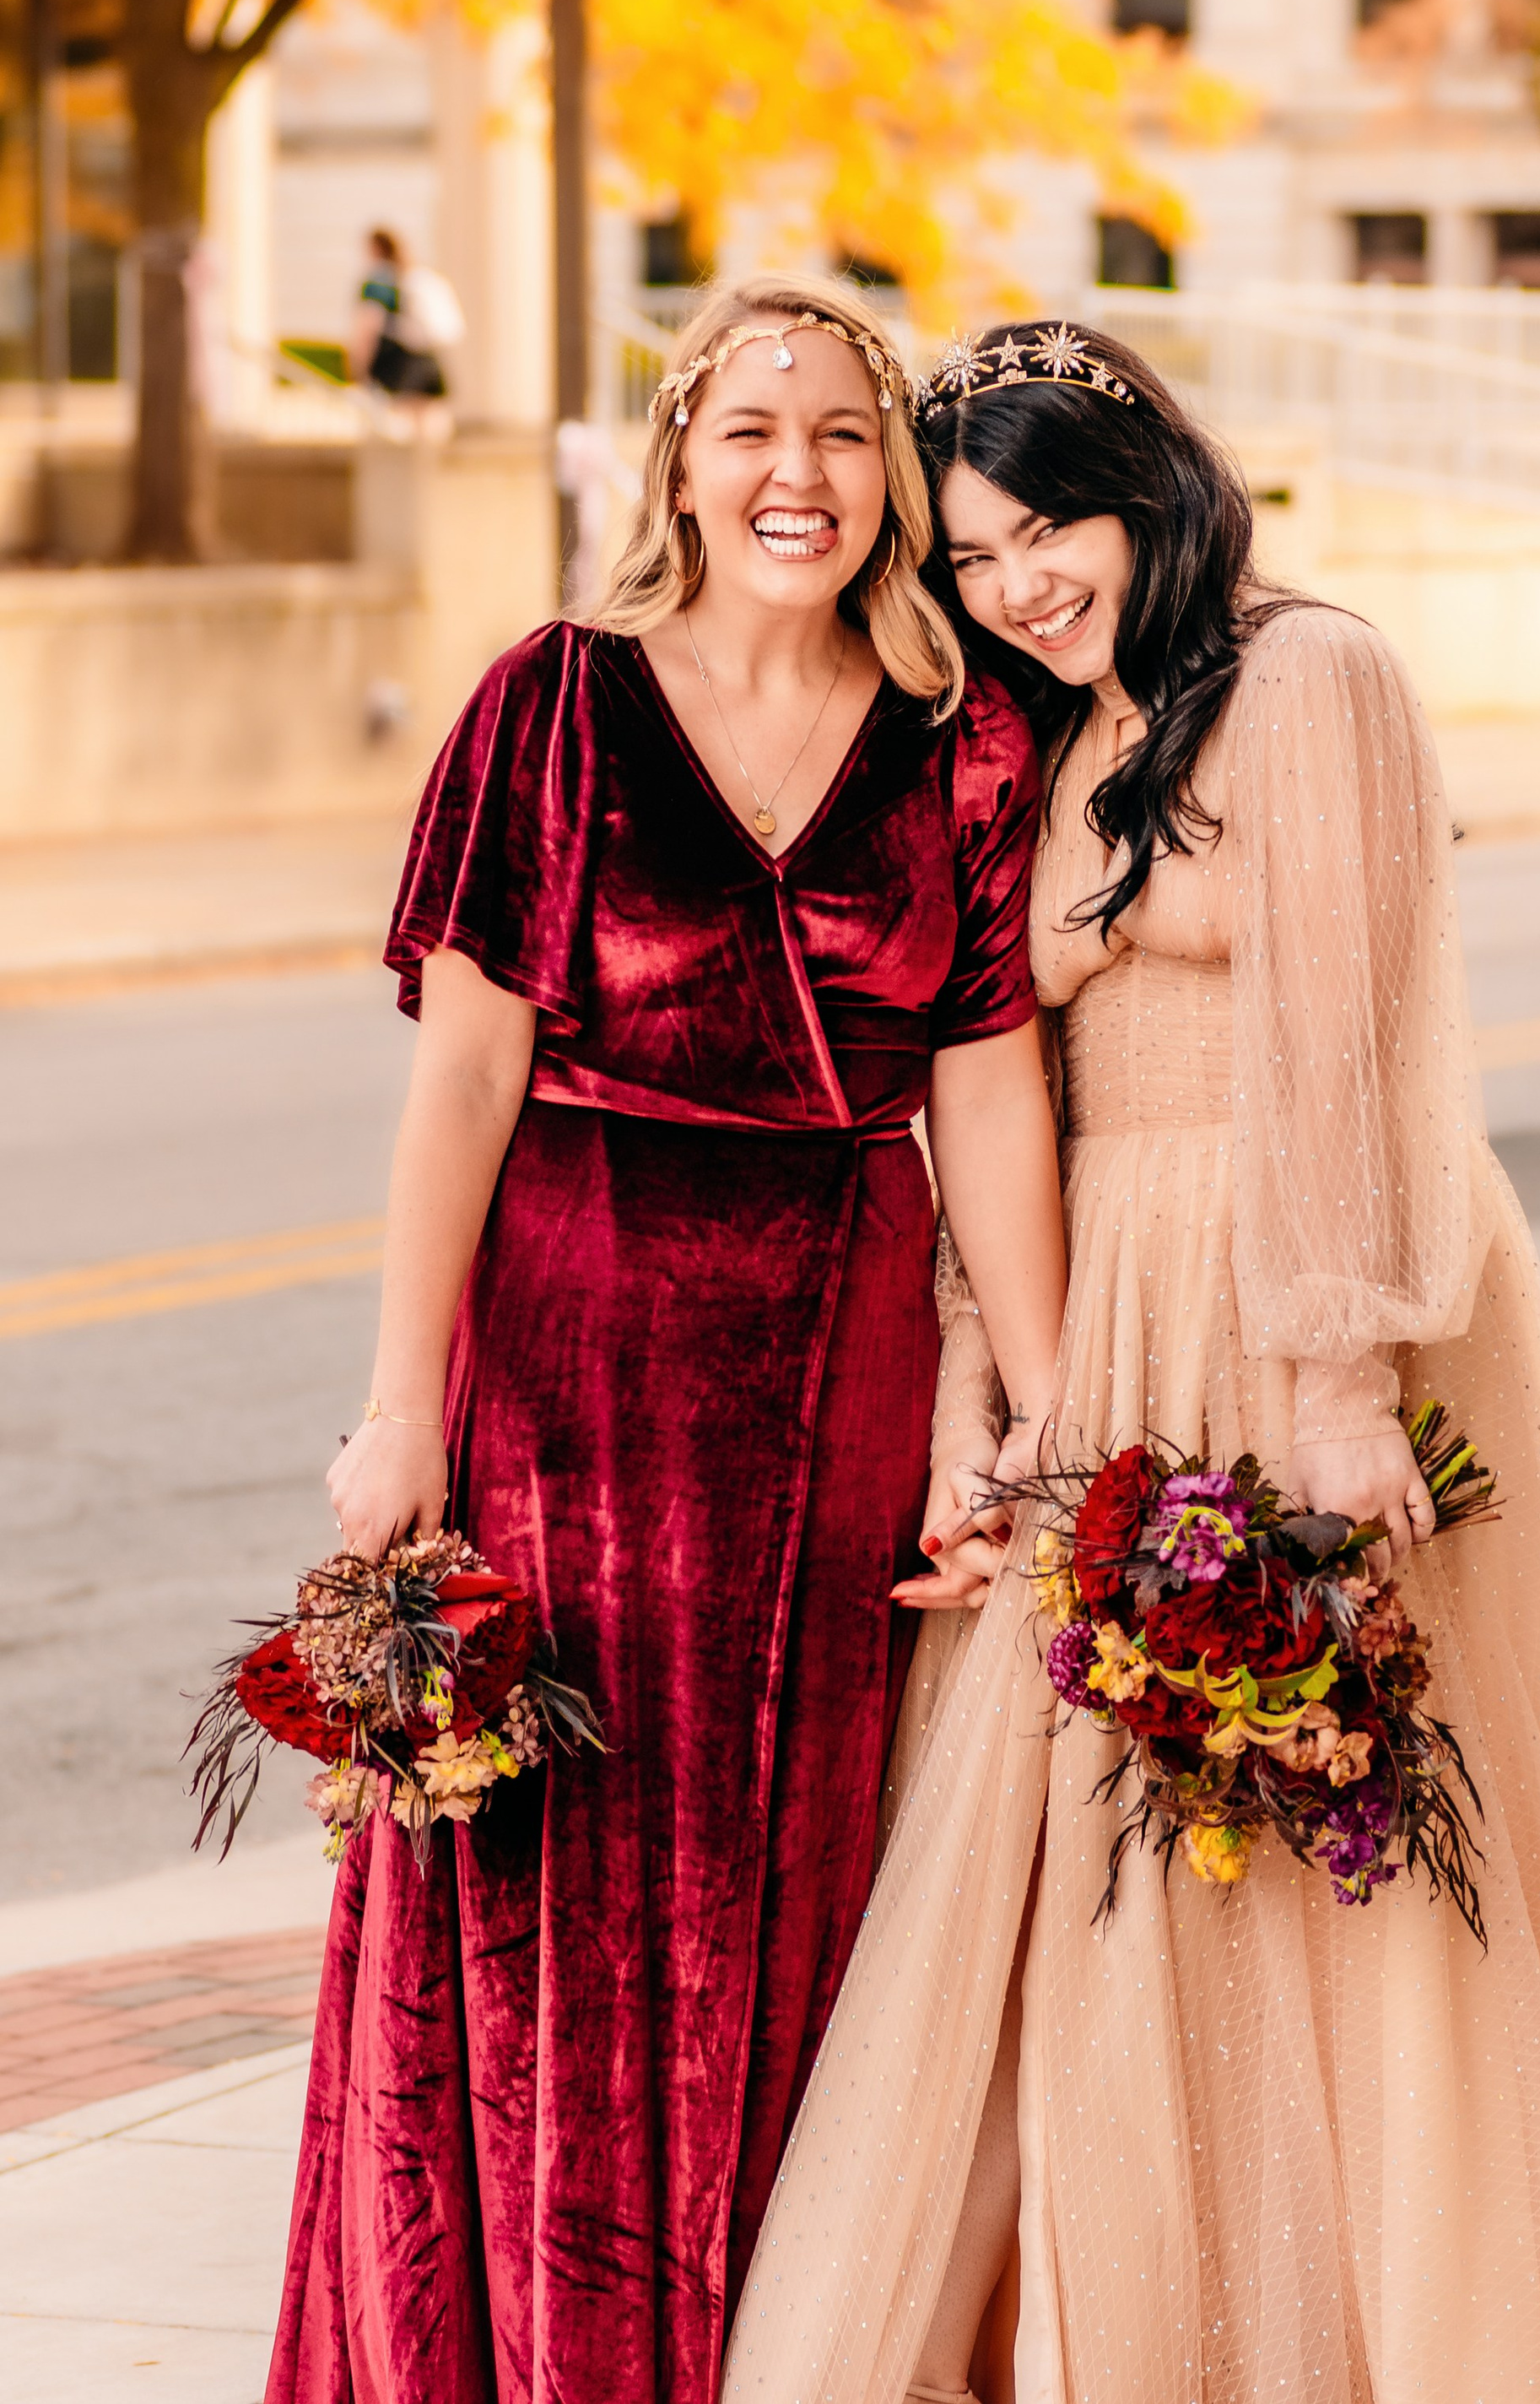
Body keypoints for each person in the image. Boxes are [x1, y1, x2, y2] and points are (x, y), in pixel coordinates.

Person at [722, 322, 1540, 2404]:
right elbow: (987, 1092)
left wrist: (1331, 1374)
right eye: (976, 552)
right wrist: (987, 1395)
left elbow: (1349, 1035)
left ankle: (1394, 2331)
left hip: (1306, 1270)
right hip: (1101, 1286)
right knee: (1072, 1849)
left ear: (1151, 485)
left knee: (1329, 1821)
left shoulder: (1310, 676)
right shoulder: (1033, 725)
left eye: (1051, 525)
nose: (1017, 578)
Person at [268, 277, 1067, 2404]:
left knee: (797, 1875)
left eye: (837, 431)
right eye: (748, 428)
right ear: (677, 461)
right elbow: (459, 1082)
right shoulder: (550, 701)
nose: (792, 470)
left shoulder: (963, 732)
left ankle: (767, 2351)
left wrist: (1047, 1422)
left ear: (889, 476)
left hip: (832, 1357)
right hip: (564, 1352)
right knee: (544, 1871)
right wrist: (399, 1405)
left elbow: (984, 1083)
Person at [349, 224, 462, 407]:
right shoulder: (414, 275)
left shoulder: (379, 282)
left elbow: (369, 325)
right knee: (430, 415)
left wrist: (358, 368)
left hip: (400, 361)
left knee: (402, 417)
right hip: (429, 358)